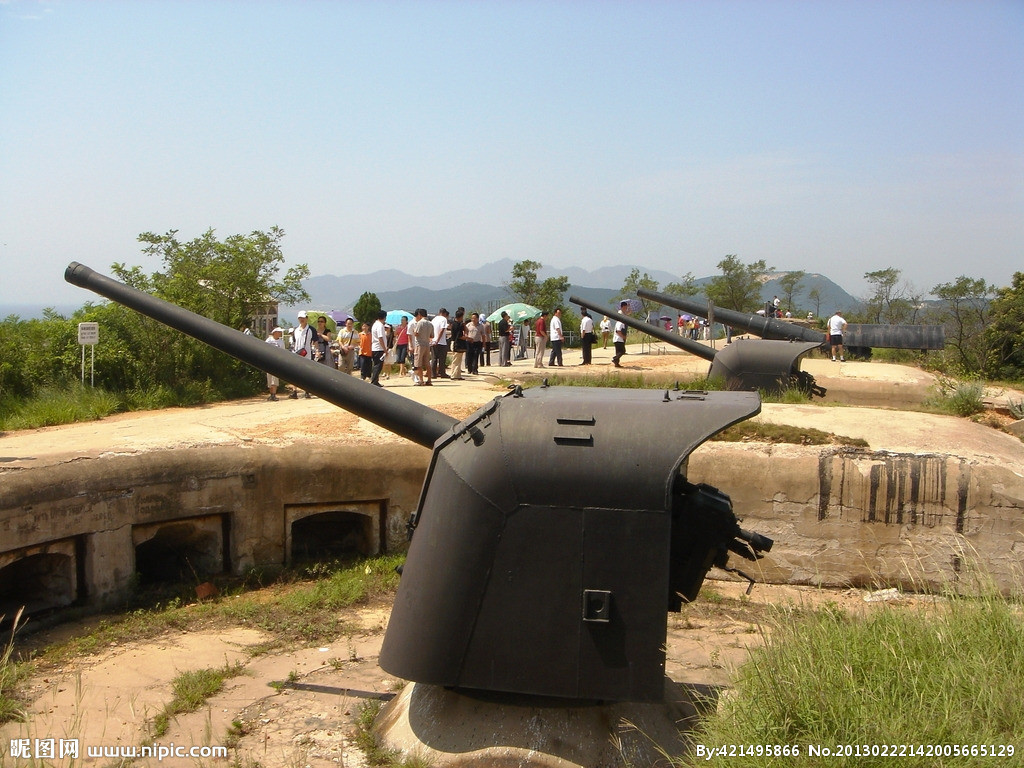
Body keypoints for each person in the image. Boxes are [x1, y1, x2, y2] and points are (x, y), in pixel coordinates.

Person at [289, 310, 317, 399]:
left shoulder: (311, 329)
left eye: (303, 318)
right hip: (297, 352)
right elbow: (294, 342)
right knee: (294, 373)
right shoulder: (296, 330)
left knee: (307, 372)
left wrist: (317, 351)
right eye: (300, 318)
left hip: (307, 353)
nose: (302, 319)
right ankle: (294, 391)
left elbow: (315, 341)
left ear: (307, 318)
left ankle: (307, 391)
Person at [411, 308, 433, 386]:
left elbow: (416, 333)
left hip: (420, 344)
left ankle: (421, 380)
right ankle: (429, 380)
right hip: (427, 344)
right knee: (427, 362)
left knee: (418, 362)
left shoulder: (420, 323)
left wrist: (413, 331)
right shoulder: (430, 323)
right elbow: (432, 335)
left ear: (420, 314)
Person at [264, 327, 284, 400]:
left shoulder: (281, 342)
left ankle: (274, 394)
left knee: (274, 379)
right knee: (269, 379)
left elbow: (283, 352)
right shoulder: (269, 340)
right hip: (269, 361)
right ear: (275, 332)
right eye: (279, 332)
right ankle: (271, 394)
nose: (280, 333)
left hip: (276, 361)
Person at [370, 310, 388, 386]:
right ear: (384, 317)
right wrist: (385, 349)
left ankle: (375, 380)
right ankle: (374, 381)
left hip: (375, 347)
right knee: (378, 365)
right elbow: (380, 338)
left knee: (376, 364)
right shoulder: (380, 325)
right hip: (379, 348)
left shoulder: (375, 324)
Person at [431, 308, 450, 379]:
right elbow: (442, 330)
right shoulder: (444, 319)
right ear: (444, 313)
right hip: (441, 342)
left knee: (434, 358)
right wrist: (438, 340)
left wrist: (432, 339)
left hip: (433, 341)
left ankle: (433, 374)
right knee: (442, 358)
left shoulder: (434, 319)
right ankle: (442, 373)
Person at [449, 309, 467, 380]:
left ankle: (458, 375)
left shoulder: (456, 324)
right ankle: (454, 375)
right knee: (456, 360)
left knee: (458, 360)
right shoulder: (456, 325)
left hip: (455, 342)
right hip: (456, 343)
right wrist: (467, 338)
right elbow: (459, 336)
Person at [612, 301, 629, 368]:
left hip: (618, 339)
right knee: (622, 351)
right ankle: (615, 359)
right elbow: (618, 331)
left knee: (618, 351)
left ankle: (616, 363)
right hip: (618, 339)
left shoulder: (621, 322)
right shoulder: (620, 323)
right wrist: (623, 337)